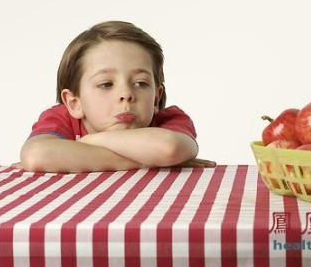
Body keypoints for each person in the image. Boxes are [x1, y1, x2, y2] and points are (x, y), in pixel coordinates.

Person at [19, 21, 216, 173]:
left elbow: (169, 148)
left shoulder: (170, 119)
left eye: (140, 83)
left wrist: (88, 142)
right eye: (106, 84)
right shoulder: (60, 118)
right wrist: (150, 161)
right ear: (74, 102)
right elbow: (37, 155)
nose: (126, 95)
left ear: (157, 98)